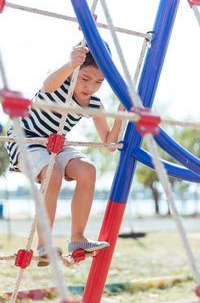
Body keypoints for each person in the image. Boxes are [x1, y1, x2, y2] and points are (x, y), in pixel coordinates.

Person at [7, 42, 125, 266]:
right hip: (26, 137)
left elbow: (110, 144)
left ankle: (77, 238)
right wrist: (71, 64)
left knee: (88, 171)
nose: (91, 87)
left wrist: (120, 114)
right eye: (85, 79)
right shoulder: (60, 80)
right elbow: (47, 85)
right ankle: (44, 244)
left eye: (99, 82)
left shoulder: (94, 104)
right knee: (53, 175)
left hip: (55, 143)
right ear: (75, 71)